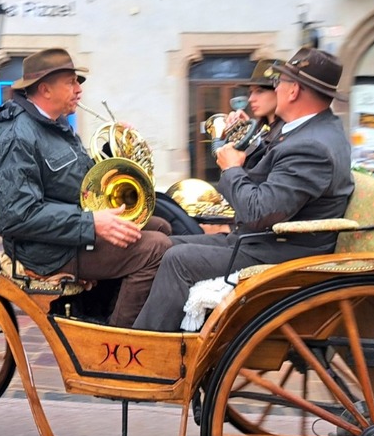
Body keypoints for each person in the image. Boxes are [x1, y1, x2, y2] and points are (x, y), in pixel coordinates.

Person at [134, 47, 354, 331]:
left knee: (178, 259)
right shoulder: (311, 131)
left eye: (278, 83)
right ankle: (140, 331)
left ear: (293, 91)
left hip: (282, 251)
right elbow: (269, 174)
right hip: (265, 240)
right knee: (162, 245)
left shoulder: (312, 145)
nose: (275, 89)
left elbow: (258, 211)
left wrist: (231, 169)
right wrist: (241, 146)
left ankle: (147, 354)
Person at [0, 48, 173, 327]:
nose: (78, 90)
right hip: (45, 251)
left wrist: (118, 148)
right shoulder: (15, 134)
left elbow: (80, 177)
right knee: (155, 248)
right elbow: (18, 215)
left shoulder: (54, 124)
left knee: (159, 226)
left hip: (67, 234)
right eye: (71, 82)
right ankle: (119, 341)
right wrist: (91, 223)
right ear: (45, 90)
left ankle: (104, 311)